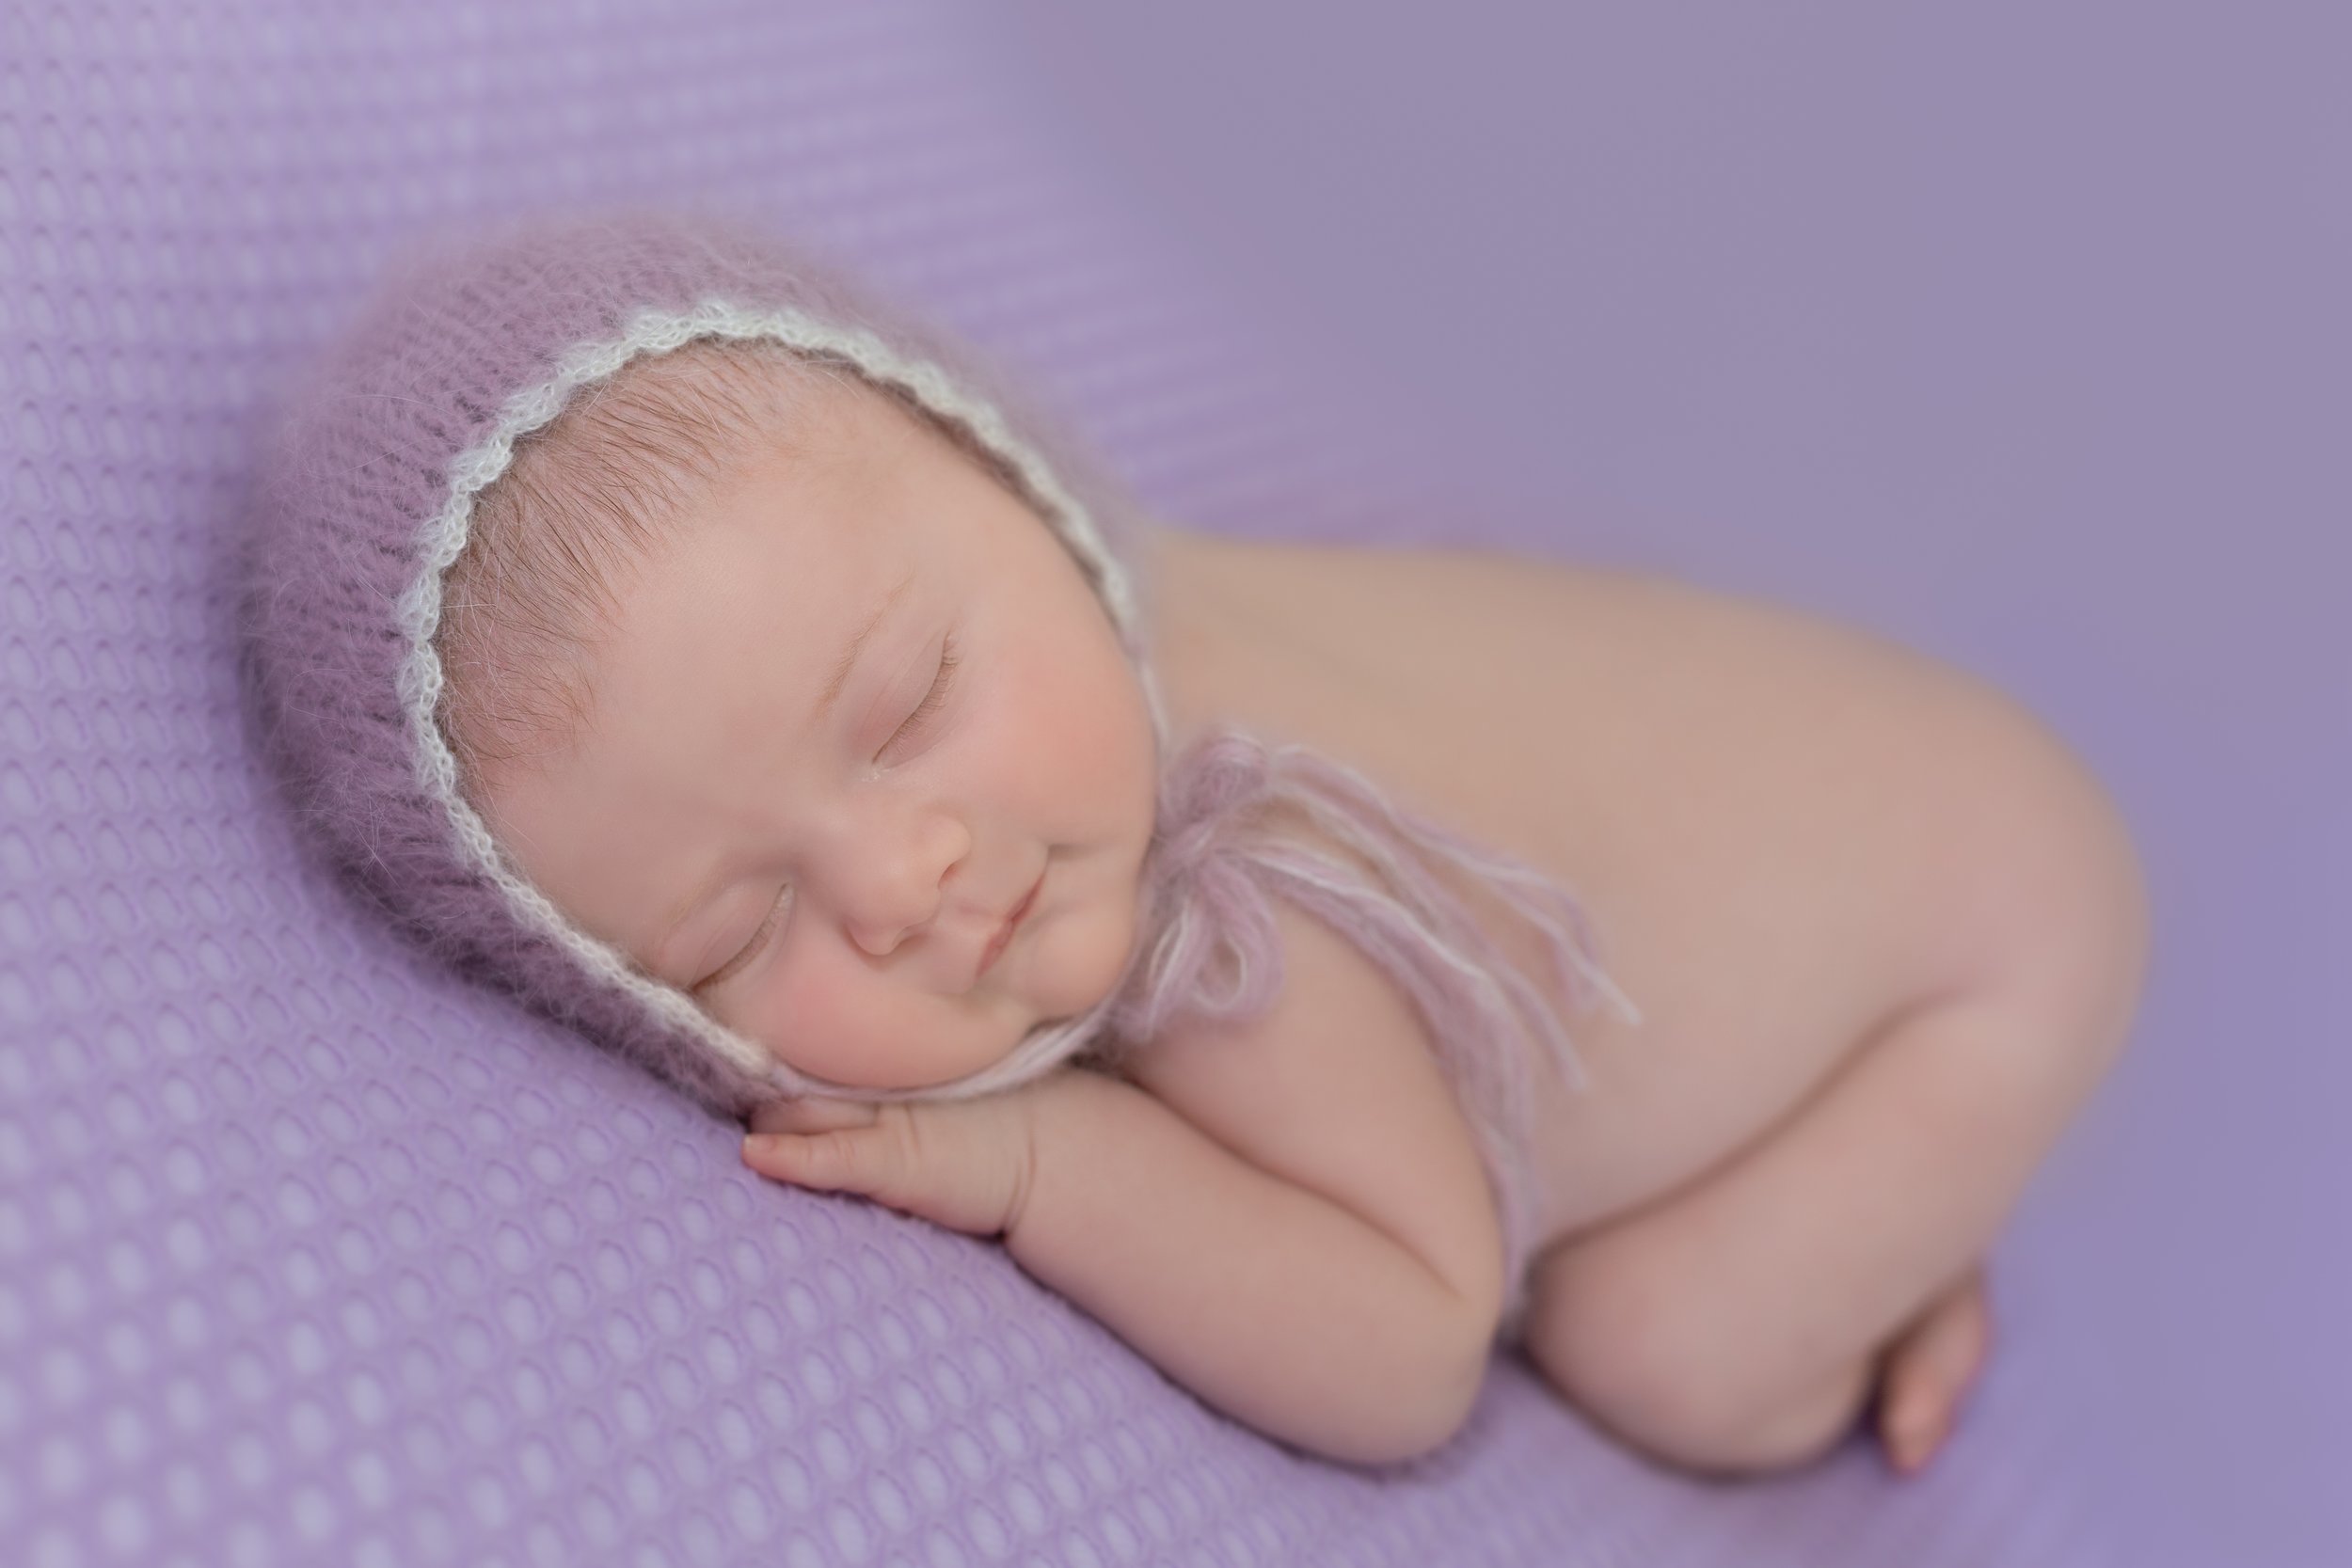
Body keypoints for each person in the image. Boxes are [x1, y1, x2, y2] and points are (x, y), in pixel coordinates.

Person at [242, 206, 2151, 1479]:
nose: (909, 872)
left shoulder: (1239, 927)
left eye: (907, 704)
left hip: (1980, 917)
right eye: (741, 931)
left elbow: (1408, 1353)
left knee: (1660, 1354)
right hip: (1823, 761)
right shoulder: (1070, 637)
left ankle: (1898, 1213)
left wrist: (1046, 1168)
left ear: (1021, 482)